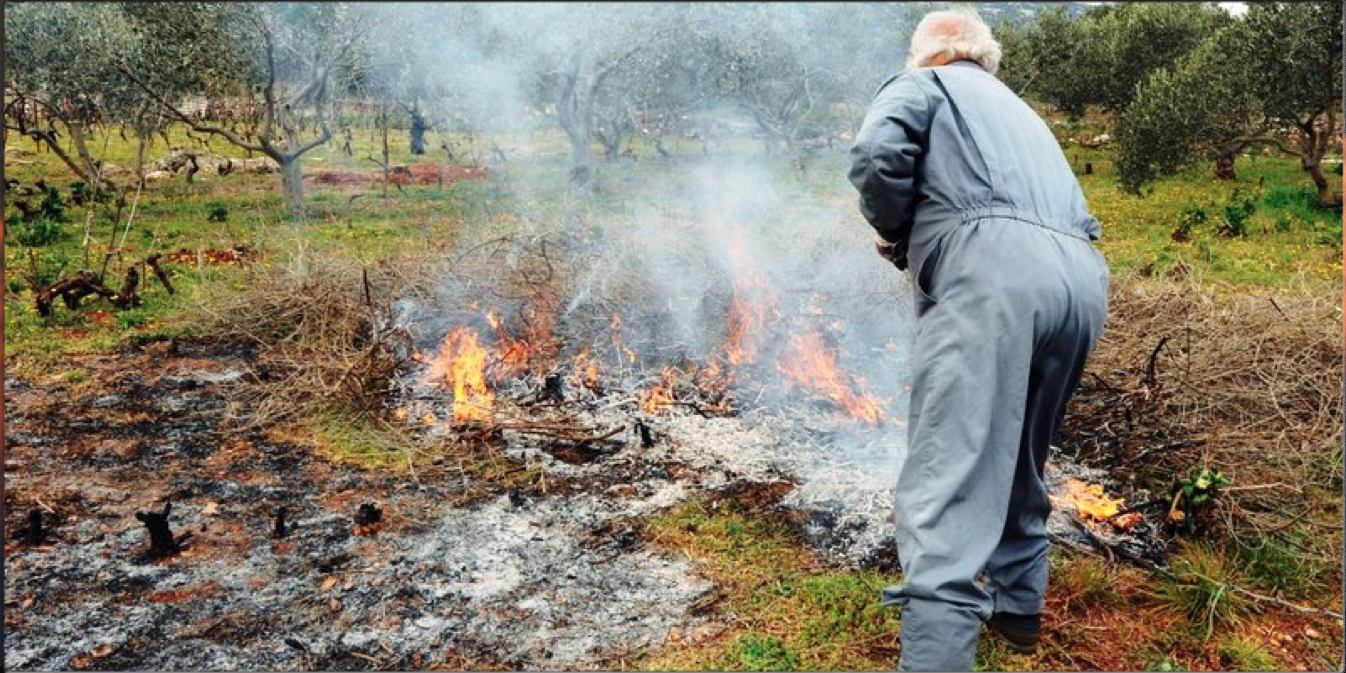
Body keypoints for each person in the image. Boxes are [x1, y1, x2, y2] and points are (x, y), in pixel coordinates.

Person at [847, 9, 1110, 671]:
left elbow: (877, 156)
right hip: (1081, 281)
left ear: (930, 54)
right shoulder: (1022, 111)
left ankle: (935, 658)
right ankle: (1020, 610)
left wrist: (896, 232)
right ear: (986, 57)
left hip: (993, 277)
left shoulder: (925, 85)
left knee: (949, 472)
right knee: (1021, 450)